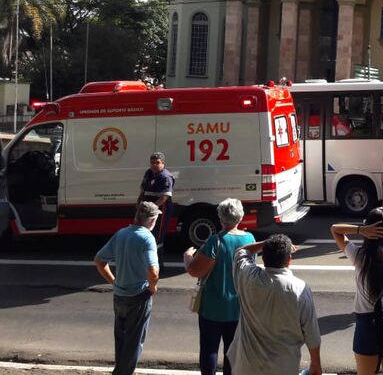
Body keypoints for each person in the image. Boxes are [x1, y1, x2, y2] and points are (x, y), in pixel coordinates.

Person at [227, 234, 322, 375]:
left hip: (246, 366)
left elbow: (241, 251)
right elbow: (311, 334)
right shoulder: (300, 289)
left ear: (263, 258)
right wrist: (316, 363)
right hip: (283, 367)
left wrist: (267, 243)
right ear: (289, 260)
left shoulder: (248, 277)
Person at [183, 198, 255, 375]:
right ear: (241, 217)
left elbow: (195, 271)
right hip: (239, 306)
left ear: (220, 218)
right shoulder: (250, 238)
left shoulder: (215, 241)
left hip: (213, 306)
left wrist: (187, 257)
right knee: (232, 352)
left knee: (209, 350)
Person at [330, 208, 383, 375]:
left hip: (366, 325)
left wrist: (360, 230)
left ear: (367, 228)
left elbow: (335, 229)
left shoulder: (358, 256)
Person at [94, 202, 161, 375]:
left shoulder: (121, 233)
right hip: (138, 296)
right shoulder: (147, 238)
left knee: (121, 341)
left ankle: (121, 369)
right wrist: (152, 287)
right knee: (134, 344)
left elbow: (99, 260)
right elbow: (153, 270)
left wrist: (114, 281)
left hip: (119, 295)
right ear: (152, 220)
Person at [137, 152, 175, 248]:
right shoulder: (148, 173)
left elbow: (164, 198)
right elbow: (143, 191)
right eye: (152, 162)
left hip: (160, 209)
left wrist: (150, 210)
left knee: (157, 236)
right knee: (145, 233)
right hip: (147, 209)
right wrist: (138, 205)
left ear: (163, 164)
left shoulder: (165, 176)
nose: (154, 165)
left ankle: (158, 261)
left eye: (157, 162)